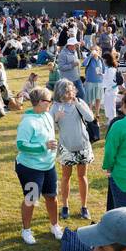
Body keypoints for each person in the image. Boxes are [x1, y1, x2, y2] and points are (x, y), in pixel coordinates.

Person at [15, 86, 62, 245]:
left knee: (52, 196)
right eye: (49, 100)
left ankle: (55, 225)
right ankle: (26, 230)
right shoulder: (27, 122)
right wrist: (44, 146)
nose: (51, 103)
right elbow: (21, 145)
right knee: (31, 198)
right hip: (30, 168)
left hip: (48, 166)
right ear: (40, 102)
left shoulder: (47, 115)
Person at [51, 79, 95, 221]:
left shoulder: (79, 102)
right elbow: (50, 128)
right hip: (66, 147)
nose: (70, 94)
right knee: (65, 177)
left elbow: (90, 117)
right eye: (66, 91)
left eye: (71, 90)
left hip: (82, 145)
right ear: (59, 92)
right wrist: (56, 119)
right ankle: (65, 206)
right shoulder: (55, 107)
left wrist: (78, 104)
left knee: (82, 177)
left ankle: (84, 207)